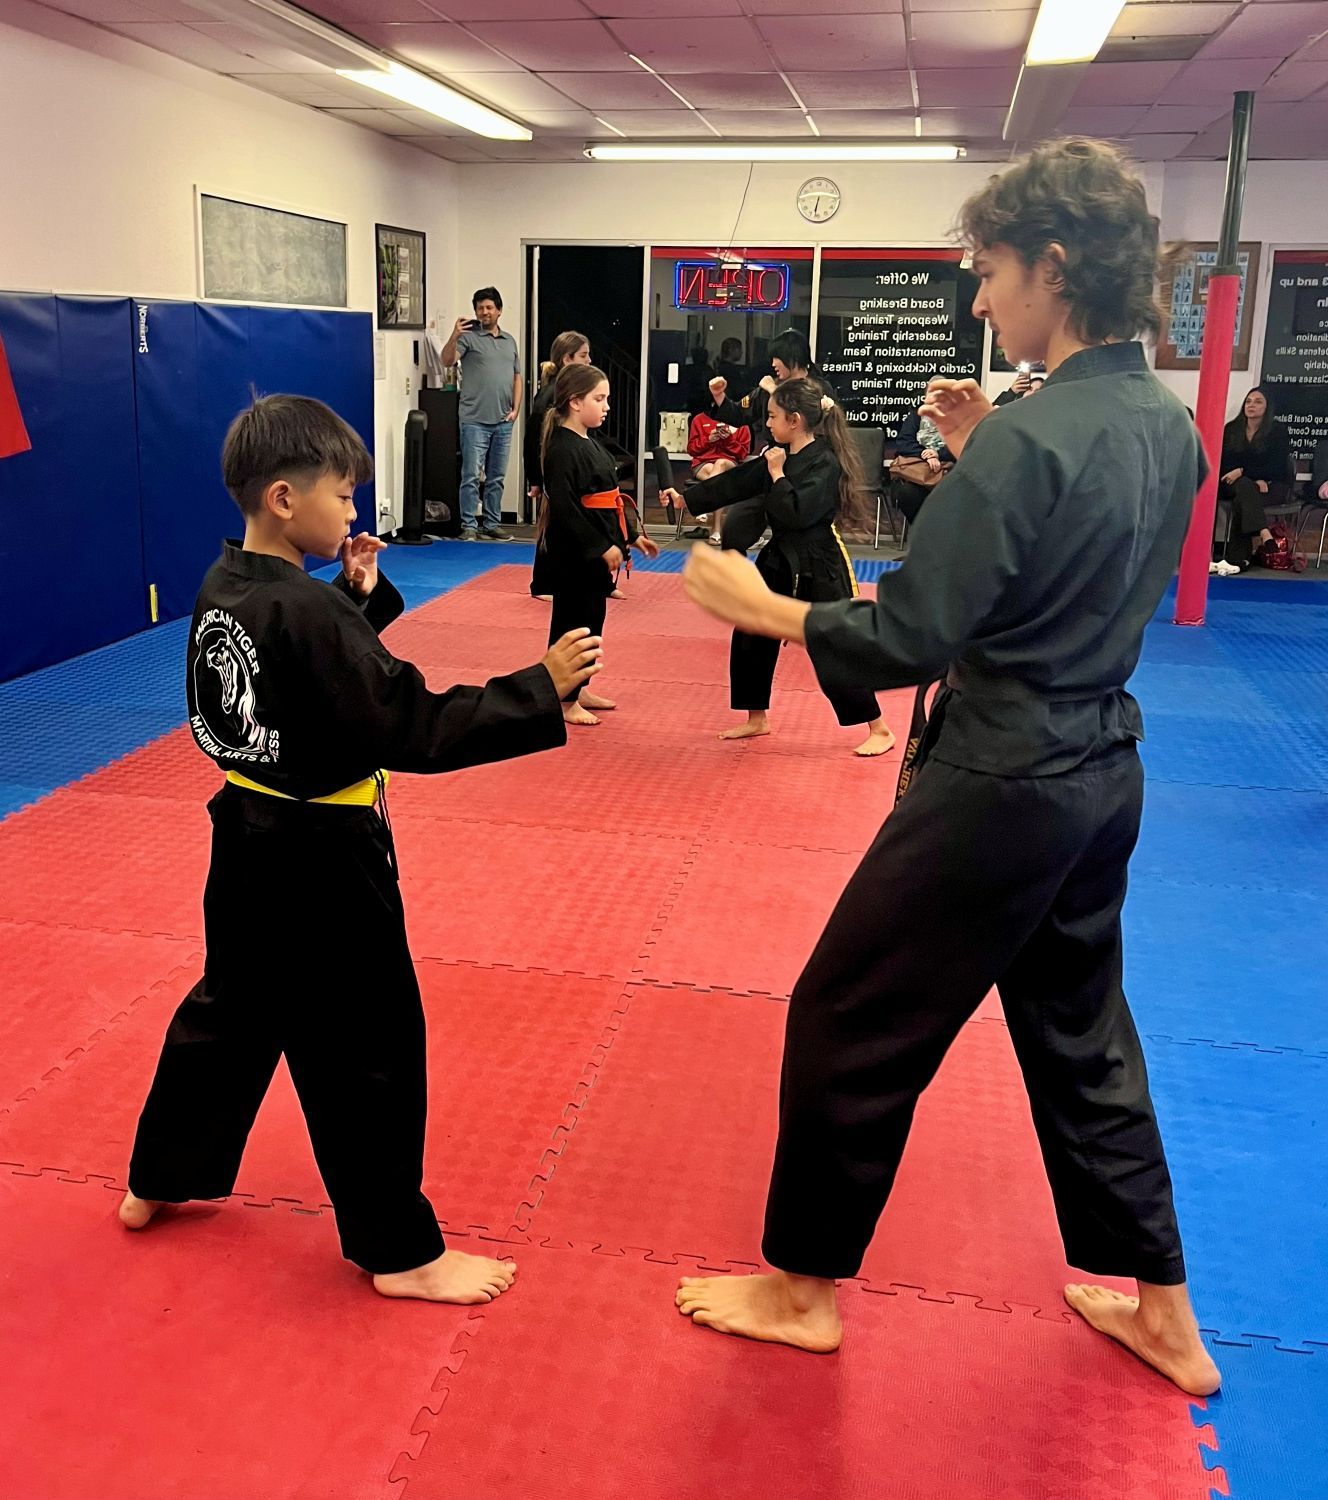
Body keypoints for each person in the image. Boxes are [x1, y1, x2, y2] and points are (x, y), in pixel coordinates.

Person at [675, 137, 1221, 1401]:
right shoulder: (1163, 424)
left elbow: (914, 631)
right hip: (1100, 771)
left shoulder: (1031, 443)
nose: (978, 300)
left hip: (1001, 778)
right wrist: (989, 444)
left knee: (846, 1012)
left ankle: (802, 1291)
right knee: (1081, 1037)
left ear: (1052, 264)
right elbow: (1066, 543)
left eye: (987, 273)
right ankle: (1167, 1317)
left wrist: (763, 609)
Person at [119, 394, 603, 1305]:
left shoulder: (226, 586)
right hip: (325, 856)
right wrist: (536, 689)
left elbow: (303, 686)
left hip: (246, 840)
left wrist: (355, 600)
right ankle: (400, 1251)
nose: (354, 513)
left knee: (231, 1013)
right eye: (341, 497)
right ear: (282, 498)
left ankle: (158, 1178)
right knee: (368, 1040)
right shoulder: (305, 610)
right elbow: (405, 725)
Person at [663, 378, 895, 758]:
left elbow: (798, 512)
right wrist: (686, 497)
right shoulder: (777, 454)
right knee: (752, 630)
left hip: (820, 563)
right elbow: (736, 482)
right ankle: (757, 717)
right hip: (780, 558)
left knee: (832, 644)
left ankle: (878, 726)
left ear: (796, 419)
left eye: (773, 416)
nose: (767, 424)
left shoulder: (825, 462)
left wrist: (777, 474)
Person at [541, 363, 659, 726]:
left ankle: (581, 685)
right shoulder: (562, 447)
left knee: (592, 619)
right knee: (572, 622)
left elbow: (609, 501)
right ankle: (562, 698)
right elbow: (567, 507)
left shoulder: (588, 441)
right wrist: (600, 546)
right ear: (575, 402)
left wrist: (630, 536)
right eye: (599, 398)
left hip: (594, 547)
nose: (606, 406)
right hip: (573, 551)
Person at [441, 287, 522, 541]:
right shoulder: (468, 338)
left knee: (496, 477)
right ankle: (469, 525)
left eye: (489, 307)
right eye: (480, 308)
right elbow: (446, 361)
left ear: (499, 310)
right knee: (471, 476)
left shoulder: (509, 341)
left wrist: (516, 409)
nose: (484, 312)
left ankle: (492, 523)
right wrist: (454, 335)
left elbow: (517, 376)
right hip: (474, 419)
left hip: (502, 421)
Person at [526, 331, 592, 600]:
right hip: (553, 469)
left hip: (572, 466)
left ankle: (597, 580)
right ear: (567, 359)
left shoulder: (573, 392)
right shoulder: (549, 396)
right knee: (552, 525)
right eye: (584, 356)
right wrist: (535, 479)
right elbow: (532, 440)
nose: (589, 361)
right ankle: (541, 584)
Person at [1217, 387, 1292, 570]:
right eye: (1249, 401)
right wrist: (1252, 478)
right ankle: (1264, 532)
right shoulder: (1232, 429)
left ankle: (1240, 559)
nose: (1252, 405)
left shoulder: (1277, 431)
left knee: (1242, 498)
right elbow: (1226, 467)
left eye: (1258, 402)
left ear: (1267, 408)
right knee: (1244, 487)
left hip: (1271, 486)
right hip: (1233, 484)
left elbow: (1278, 468)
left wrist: (1245, 472)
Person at [739, 329, 836, 454]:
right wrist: (719, 397)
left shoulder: (821, 388)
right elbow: (741, 412)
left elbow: (825, 427)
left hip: (811, 457)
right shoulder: (769, 387)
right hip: (774, 454)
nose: (773, 364)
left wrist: (775, 391)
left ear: (792, 358)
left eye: (777, 358)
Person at [686, 378, 752, 546]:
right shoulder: (699, 420)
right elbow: (692, 450)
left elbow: (743, 453)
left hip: (729, 463)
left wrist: (728, 440)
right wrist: (709, 439)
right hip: (703, 464)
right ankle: (716, 530)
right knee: (718, 479)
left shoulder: (741, 422)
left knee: (721, 464)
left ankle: (705, 505)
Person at [891, 408, 955, 526]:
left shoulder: (961, 418)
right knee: (907, 494)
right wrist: (925, 454)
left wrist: (938, 454)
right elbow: (904, 443)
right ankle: (921, 530)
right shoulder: (916, 416)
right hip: (918, 476)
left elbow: (966, 445)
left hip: (949, 475)